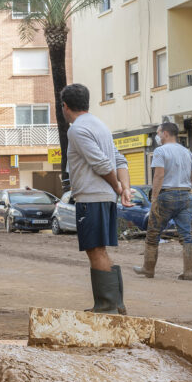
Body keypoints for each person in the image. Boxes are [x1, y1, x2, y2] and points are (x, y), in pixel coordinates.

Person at [60, 83, 133, 314]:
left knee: (95, 250)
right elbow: (120, 160)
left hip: (91, 198)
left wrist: (118, 187)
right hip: (104, 198)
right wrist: (125, 188)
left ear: (65, 106)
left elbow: (101, 164)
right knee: (100, 249)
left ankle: (107, 306)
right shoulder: (100, 125)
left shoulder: (77, 129)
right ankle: (116, 305)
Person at [134, 121, 192, 281]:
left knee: (153, 233)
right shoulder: (187, 152)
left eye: (158, 132)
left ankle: (148, 269)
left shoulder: (160, 151)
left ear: (165, 133)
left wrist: (154, 198)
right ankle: (188, 272)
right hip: (186, 195)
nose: (157, 136)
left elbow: (159, 175)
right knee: (186, 235)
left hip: (166, 195)